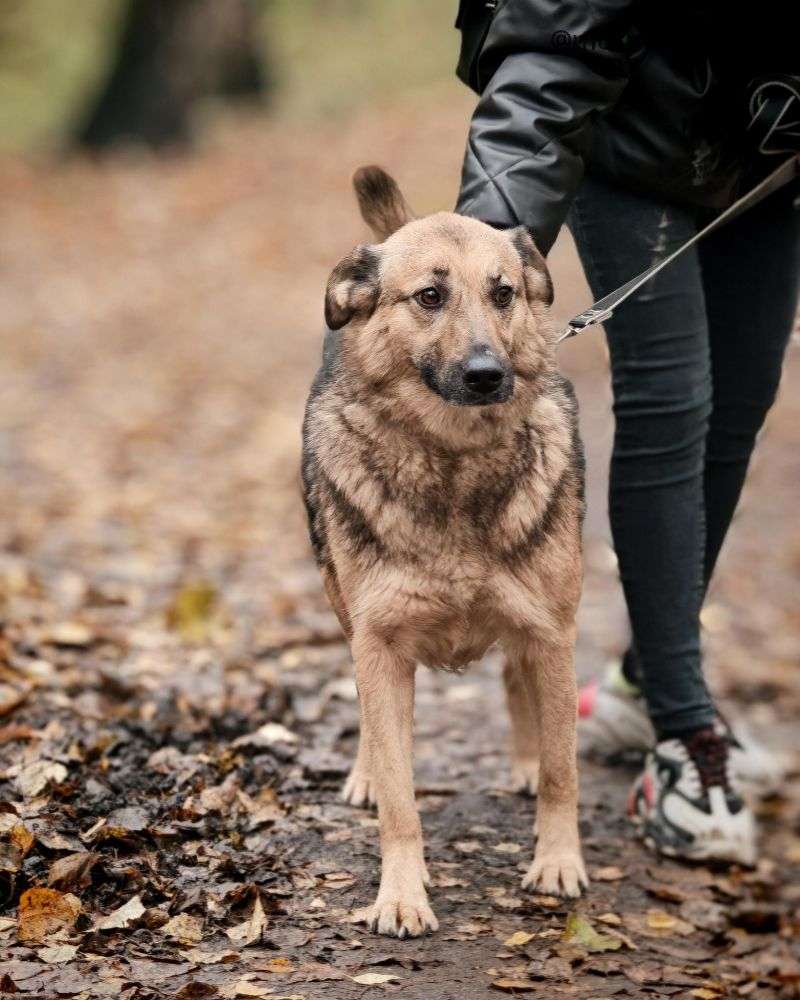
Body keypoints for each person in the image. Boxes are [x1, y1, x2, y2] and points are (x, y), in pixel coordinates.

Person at [454, 0, 800, 865]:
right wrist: (481, 262)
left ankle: (648, 682)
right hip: (628, 141)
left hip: (768, 163)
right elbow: (546, 58)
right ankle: (683, 728)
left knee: (742, 399)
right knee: (672, 399)